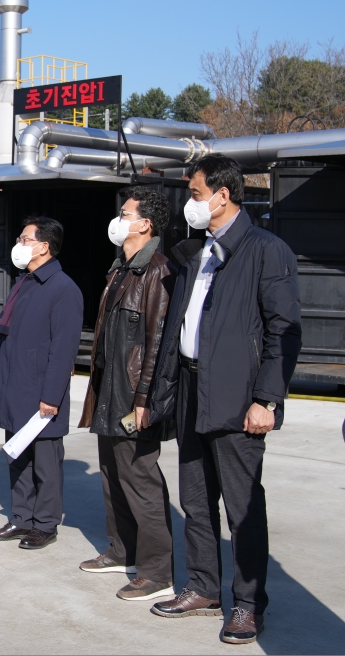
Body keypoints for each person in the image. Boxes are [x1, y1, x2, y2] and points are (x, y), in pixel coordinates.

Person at [147, 154, 301, 645]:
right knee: (196, 500)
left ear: (222, 195)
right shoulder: (199, 253)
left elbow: (283, 332)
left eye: (194, 194)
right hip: (193, 389)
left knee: (242, 508)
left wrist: (267, 399)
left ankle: (249, 604)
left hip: (239, 399)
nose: (190, 203)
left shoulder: (265, 251)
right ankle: (203, 587)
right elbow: (180, 326)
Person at [77, 187, 177, 601]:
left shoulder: (156, 270)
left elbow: (156, 341)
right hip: (110, 389)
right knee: (112, 476)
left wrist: (144, 399)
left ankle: (157, 572)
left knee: (141, 481)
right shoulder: (120, 268)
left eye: (125, 213)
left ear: (145, 224)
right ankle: (122, 551)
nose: (118, 220)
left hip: (133, 394)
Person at [0, 216, 83, 550]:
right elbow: (6, 335)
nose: (19, 244)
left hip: (41, 391)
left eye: (25, 239)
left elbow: (63, 349)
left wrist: (52, 396)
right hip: (14, 385)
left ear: (44, 246)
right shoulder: (24, 282)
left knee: (45, 463)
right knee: (18, 457)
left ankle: (45, 524)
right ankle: (21, 517)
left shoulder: (63, 289)